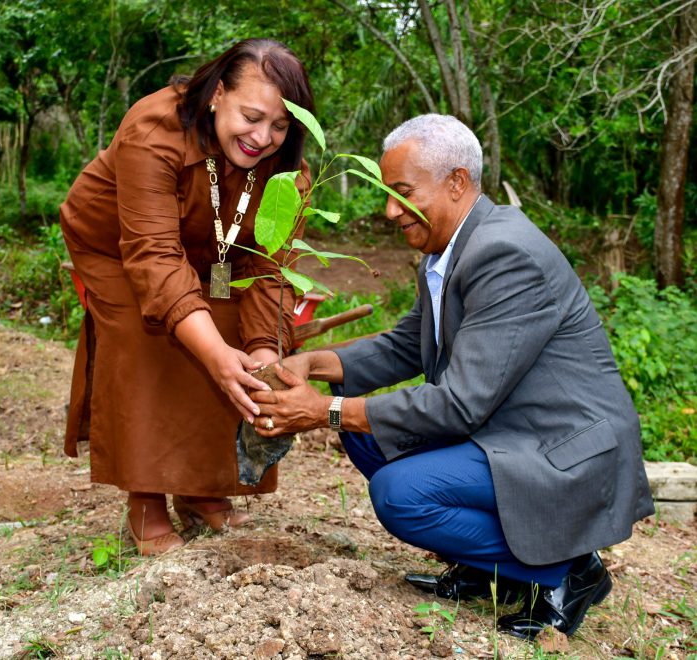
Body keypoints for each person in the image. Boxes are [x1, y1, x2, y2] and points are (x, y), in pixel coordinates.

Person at [249, 114, 655, 639]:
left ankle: (569, 569)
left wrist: (323, 411)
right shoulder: (448, 250)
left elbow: (460, 403)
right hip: (508, 428)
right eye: (387, 195)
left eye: (402, 194)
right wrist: (314, 363)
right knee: (368, 435)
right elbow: (405, 345)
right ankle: (492, 569)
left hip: (561, 448)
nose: (390, 211)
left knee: (400, 494)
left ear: (457, 182)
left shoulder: (505, 254)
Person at [60, 39, 313, 555]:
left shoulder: (289, 175)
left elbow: (268, 268)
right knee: (147, 331)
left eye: (281, 126)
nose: (262, 138)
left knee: (232, 337)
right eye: (251, 117)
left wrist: (263, 351)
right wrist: (215, 354)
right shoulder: (155, 128)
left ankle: (201, 491)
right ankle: (146, 497)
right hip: (118, 245)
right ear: (218, 94)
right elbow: (153, 256)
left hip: (214, 256)